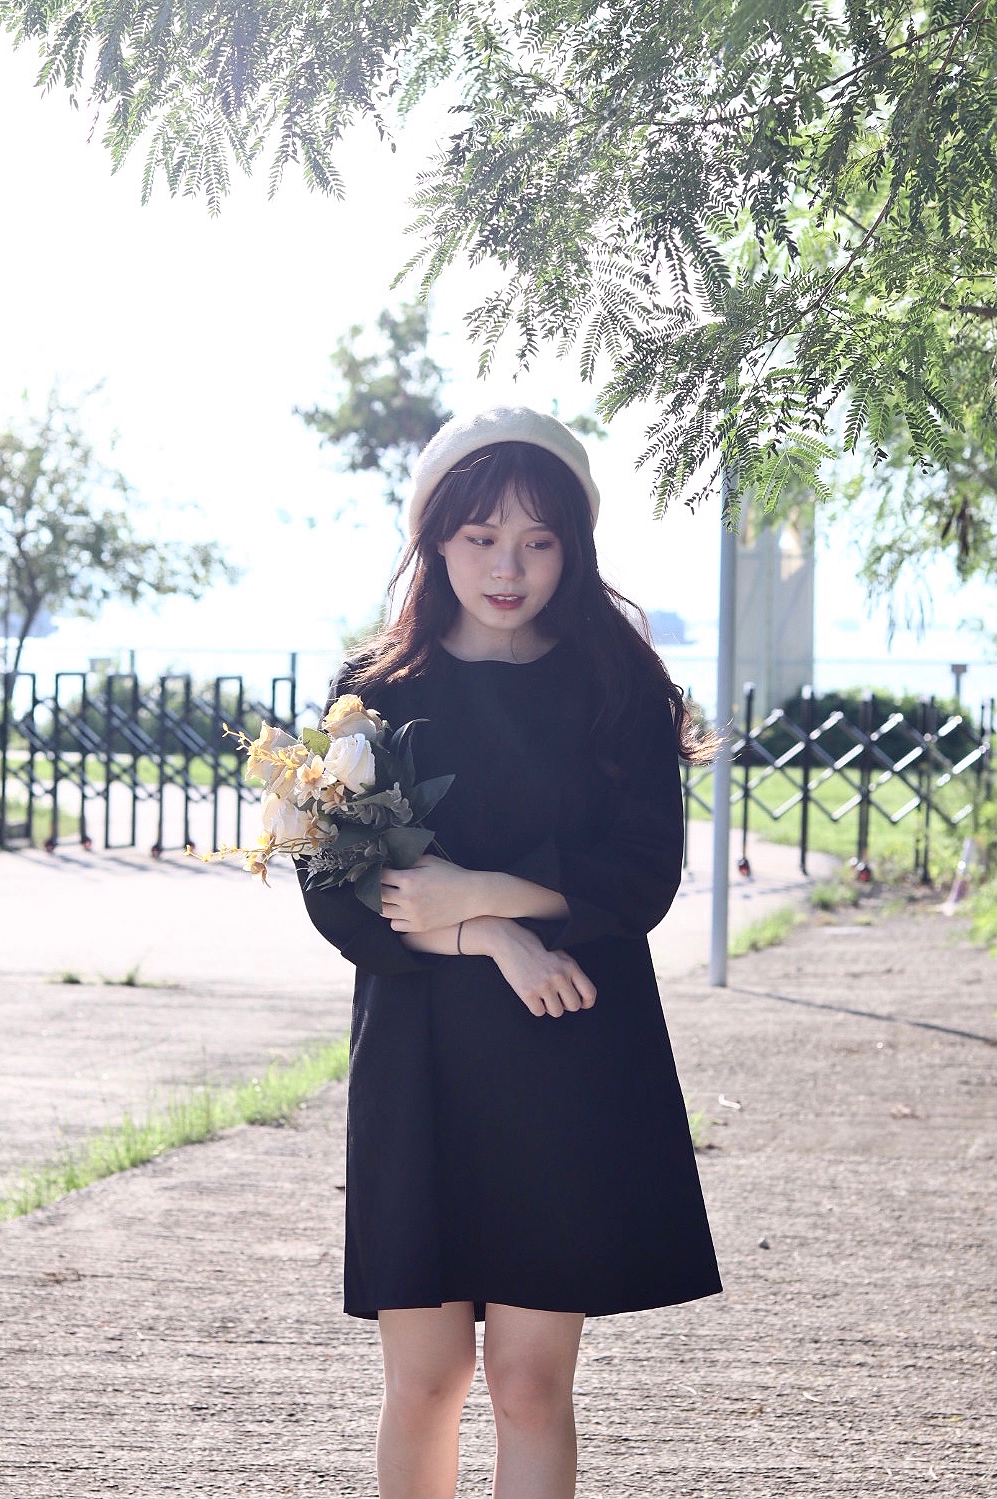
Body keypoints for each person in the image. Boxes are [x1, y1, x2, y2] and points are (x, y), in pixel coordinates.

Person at [298, 406, 722, 1499]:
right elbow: (339, 895)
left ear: (573, 547)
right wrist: (491, 937)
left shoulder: (619, 689)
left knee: (531, 1383)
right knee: (425, 1378)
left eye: (539, 540)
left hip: (564, 1050)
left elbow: (642, 877)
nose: (507, 566)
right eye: (482, 537)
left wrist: (485, 890)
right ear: (435, 538)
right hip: (420, 1060)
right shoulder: (373, 693)